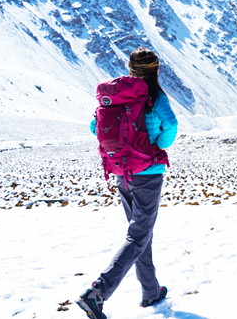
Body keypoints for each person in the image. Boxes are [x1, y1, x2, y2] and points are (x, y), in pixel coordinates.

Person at [77, 47, 178, 319]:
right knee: (138, 235)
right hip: (148, 172)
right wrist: (156, 145)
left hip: (122, 172)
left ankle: (150, 291)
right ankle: (97, 293)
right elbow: (171, 126)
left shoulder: (118, 97)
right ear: (155, 69)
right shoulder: (154, 97)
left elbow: (94, 127)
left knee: (140, 233)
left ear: (131, 69)